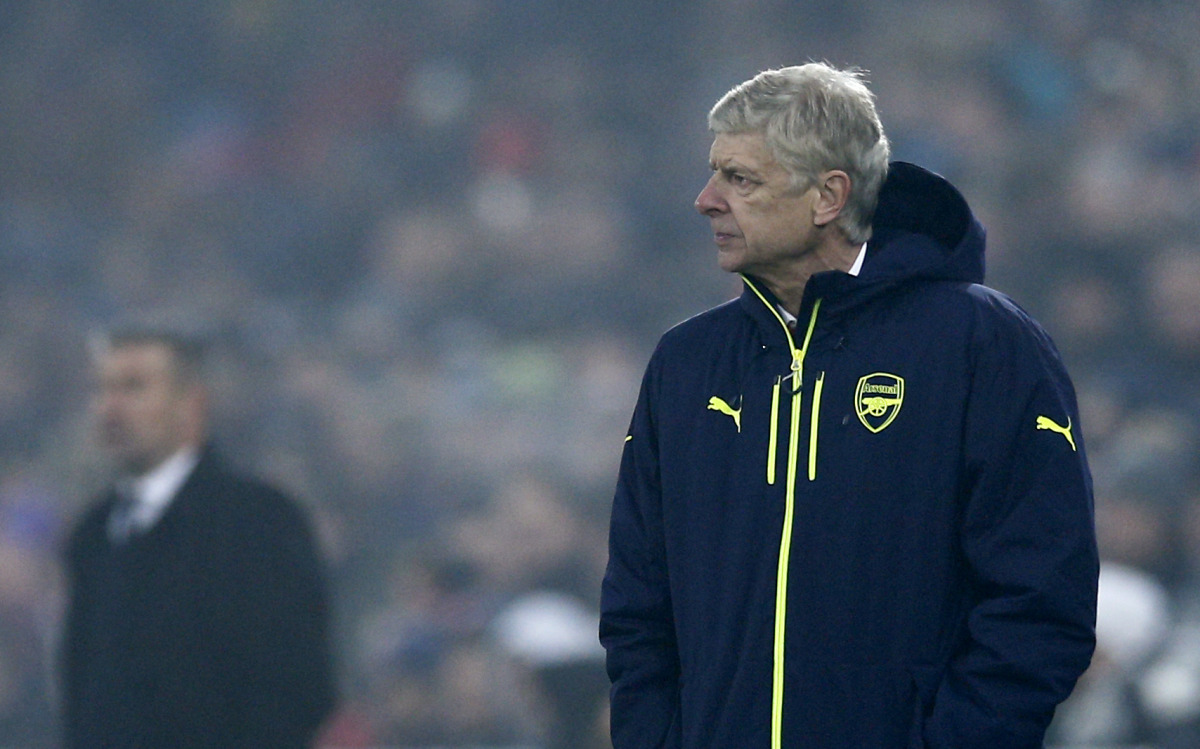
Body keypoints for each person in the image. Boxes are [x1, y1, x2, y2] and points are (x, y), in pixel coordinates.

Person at [599, 63, 1099, 748]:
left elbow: (1041, 594)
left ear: (829, 195)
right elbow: (637, 608)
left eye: (740, 179)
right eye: (715, 174)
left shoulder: (981, 343)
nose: (706, 200)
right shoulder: (686, 363)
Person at [59, 326, 336, 748]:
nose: (110, 408)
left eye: (134, 388)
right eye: (101, 389)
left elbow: (298, 689)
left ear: (192, 404)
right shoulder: (92, 535)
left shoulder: (257, 521)